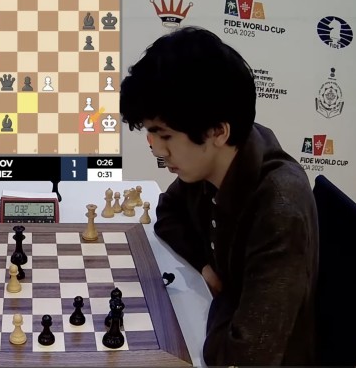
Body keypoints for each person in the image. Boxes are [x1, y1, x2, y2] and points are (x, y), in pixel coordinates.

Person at [119, 27, 318, 366]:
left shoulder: (279, 209)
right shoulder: (217, 160)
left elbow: (243, 355)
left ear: (218, 131)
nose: (158, 151)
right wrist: (206, 268)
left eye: (165, 136)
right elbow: (168, 213)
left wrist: (223, 300)